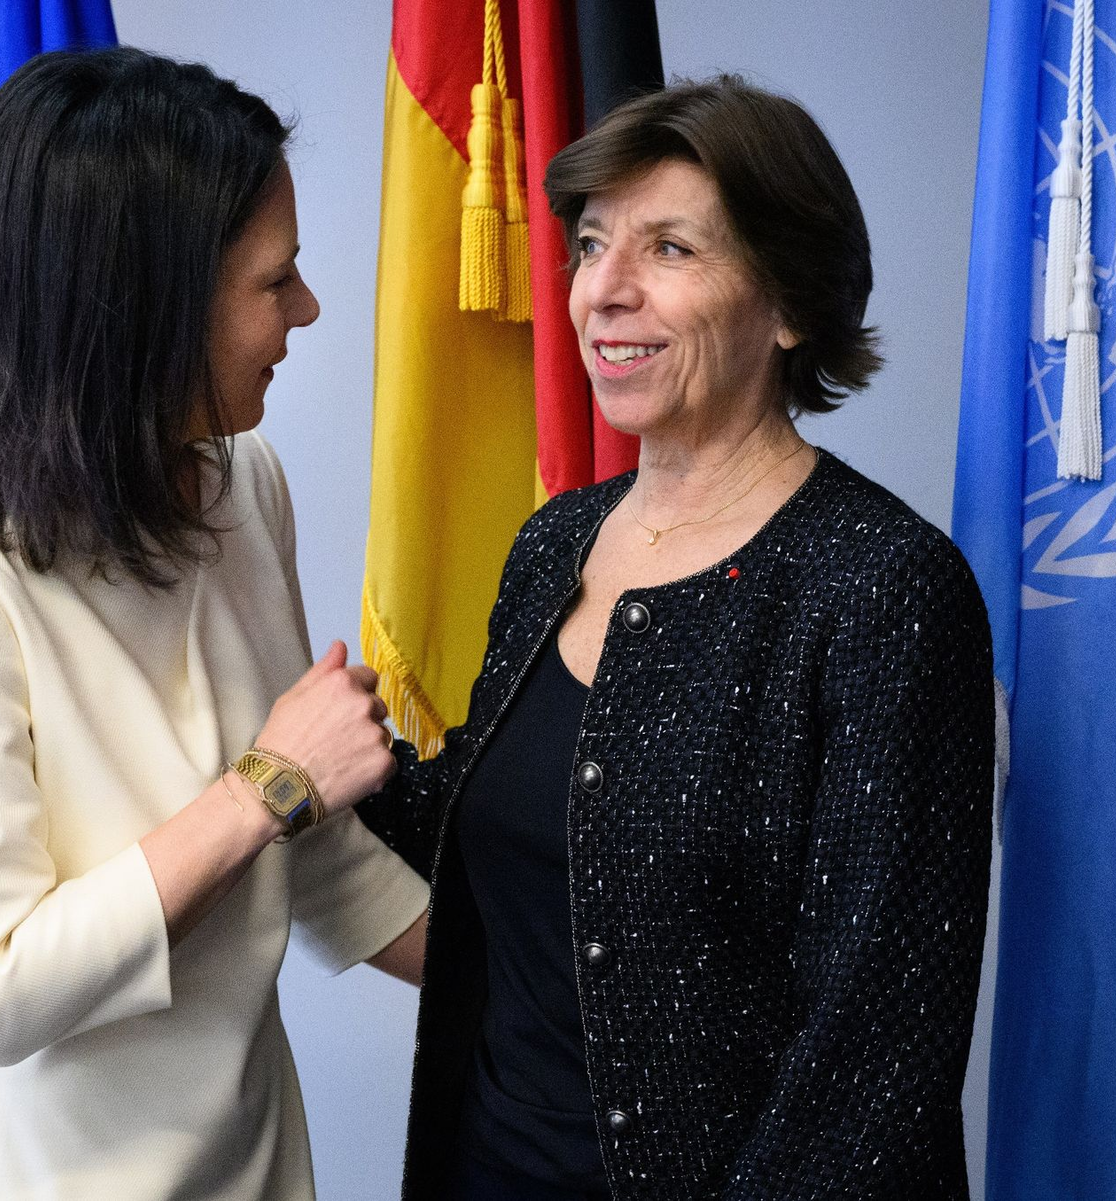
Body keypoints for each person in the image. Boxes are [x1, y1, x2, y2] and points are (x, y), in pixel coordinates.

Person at [359, 76, 994, 1201]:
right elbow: (499, 840)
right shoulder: (554, 542)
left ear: (790, 303)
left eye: (669, 249)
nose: (603, 290)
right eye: (592, 243)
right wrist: (315, 750)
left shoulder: (885, 586)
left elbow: (874, 1059)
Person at [0, 48, 428, 1201]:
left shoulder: (247, 484)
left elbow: (311, 850)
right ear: (148, 306)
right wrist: (264, 787)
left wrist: (571, 1004)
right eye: (273, 280)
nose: (306, 309)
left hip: (255, 1169)